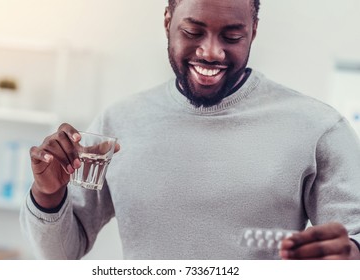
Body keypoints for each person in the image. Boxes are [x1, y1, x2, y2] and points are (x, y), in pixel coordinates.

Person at [20, 0, 360, 260]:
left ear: (253, 30)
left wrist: (348, 258)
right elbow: (61, 253)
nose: (211, 51)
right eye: (193, 32)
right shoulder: (119, 123)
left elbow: (353, 241)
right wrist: (48, 194)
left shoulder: (317, 128)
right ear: (168, 21)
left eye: (232, 36)